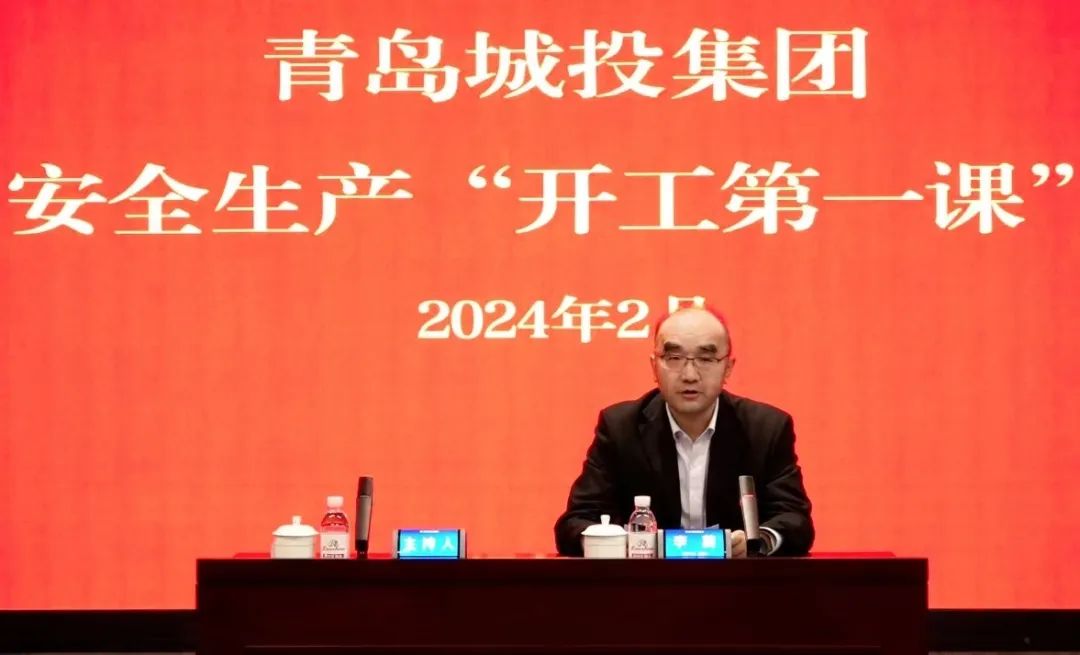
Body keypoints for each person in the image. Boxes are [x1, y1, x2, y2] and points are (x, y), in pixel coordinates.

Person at [554, 306, 814, 557]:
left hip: (734, 581)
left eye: (706, 359)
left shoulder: (765, 429)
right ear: (654, 366)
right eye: (674, 358)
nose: (690, 375)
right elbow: (576, 522)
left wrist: (757, 542)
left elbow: (795, 520)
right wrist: (620, 542)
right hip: (648, 582)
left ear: (728, 368)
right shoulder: (621, 428)